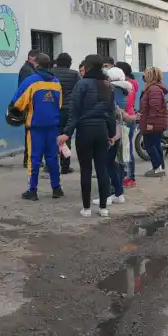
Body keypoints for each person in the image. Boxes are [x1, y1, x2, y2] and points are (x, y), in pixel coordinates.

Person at [59, 55, 116, 218]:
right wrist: (111, 134)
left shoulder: (82, 84)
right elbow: (111, 113)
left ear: (88, 67)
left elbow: (74, 112)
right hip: (102, 130)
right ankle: (103, 208)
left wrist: (67, 133)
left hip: (85, 131)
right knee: (102, 169)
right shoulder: (107, 85)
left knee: (86, 170)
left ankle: (86, 208)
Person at [11, 53, 63, 201]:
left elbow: (17, 103)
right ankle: (56, 188)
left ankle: (32, 190)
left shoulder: (31, 81)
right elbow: (59, 105)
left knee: (34, 158)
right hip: (53, 126)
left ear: (36, 64)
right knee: (52, 158)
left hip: (35, 127)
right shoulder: (56, 82)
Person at [104, 67, 135, 206]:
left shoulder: (112, 90)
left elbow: (114, 108)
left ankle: (113, 191)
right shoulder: (126, 88)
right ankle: (118, 190)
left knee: (109, 162)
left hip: (113, 128)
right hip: (123, 126)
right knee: (121, 158)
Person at [50, 52, 79, 174]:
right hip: (68, 109)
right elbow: (78, 91)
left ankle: (51, 164)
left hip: (53, 108)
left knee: (52, 136)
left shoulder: (51, 73)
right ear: (69, 63)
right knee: (66, 136)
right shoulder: (74, 74)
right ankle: (65, 166)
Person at [138, 66, 168, 177]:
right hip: (155, 122)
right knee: (155, 144)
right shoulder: (152, 88)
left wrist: (150, 123)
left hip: (153, 122)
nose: (144, 77)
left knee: (150, 145)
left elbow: (154, 107)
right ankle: (159, 167)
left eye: (145, 75)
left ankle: (157, 168)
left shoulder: (153, 89)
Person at [116, 62, 139, 187]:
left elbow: (125, 103)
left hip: (126, 119)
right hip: (128, 117)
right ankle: (126, 175)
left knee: (126, 149)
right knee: (125, 149)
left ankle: (129, 177)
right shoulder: (130, 83)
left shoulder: (126, 85)